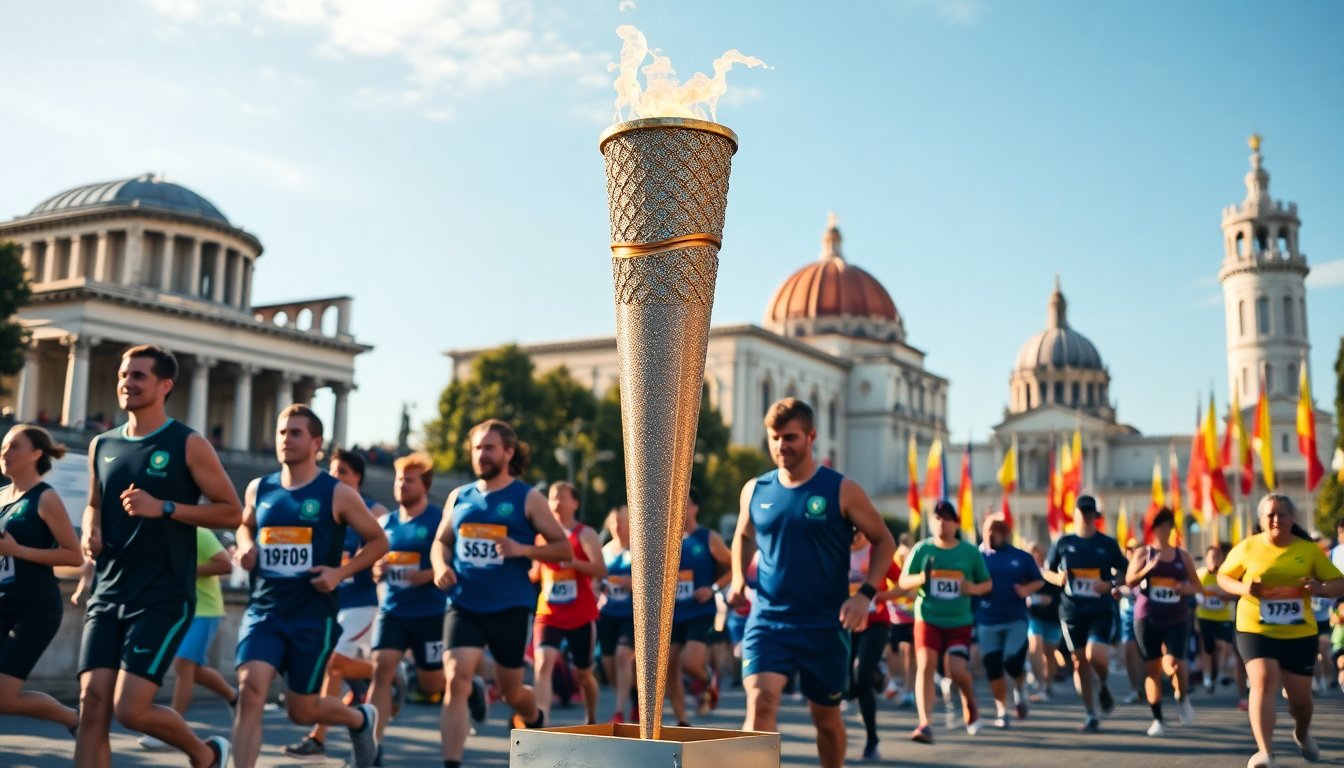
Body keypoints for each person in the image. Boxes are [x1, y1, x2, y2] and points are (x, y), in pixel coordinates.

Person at [76, 345, 242, 768]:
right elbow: (94, 502)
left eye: (138, 376)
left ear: (164, 385)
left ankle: (206, 754)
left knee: (130, 710)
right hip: (109, 589)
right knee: (92, 705)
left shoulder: (187, 443)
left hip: (163, 593)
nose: (127, 383)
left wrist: (166, 507)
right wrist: (90, 529)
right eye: (123, 375)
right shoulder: (102, 444)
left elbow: (231, 510)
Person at [729, 398, 895, 768]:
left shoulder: (841, 489)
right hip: (769, 619)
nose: (780, 446)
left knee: (826, 719)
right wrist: (739, 578)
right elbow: (743, 535)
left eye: (790, 437)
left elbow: (885, 540)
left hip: (824, 624)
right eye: (774, 438)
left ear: (811, 436)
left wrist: (865, 595)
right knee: (761, 701)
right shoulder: (755, 489)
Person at [231, 404, 388, 768]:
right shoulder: (260, 487)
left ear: (317, 442)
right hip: (265, 609)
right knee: (250, 689)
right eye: (282, 432)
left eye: (296, 432)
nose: (286, 439)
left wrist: (339, 574)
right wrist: (245, 547)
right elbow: (245, 525)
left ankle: (360, 719)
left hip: (312, 615)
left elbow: (379, 541)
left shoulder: (337, 493)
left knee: (301, 711)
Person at [431, 419, 571, 768]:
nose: (481, 454)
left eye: (489, 447)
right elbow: (441, 542)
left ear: (509, 452)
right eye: (477, 447)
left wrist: (522, 551)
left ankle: (534, 716)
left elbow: (562, 549)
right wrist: (439, 566)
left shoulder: (527, 497)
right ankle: (452, 762)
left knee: (512, 693)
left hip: (509, 605)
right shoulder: (459, 497)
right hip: (463, 601)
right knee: (456, 677)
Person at [1217, 493, 1344, 768]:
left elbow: (1339, 583)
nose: (1276, 519)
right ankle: (1265, 751)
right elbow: (1223, 577)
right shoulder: (1247, 547)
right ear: (1261, 520)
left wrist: (1320, 588)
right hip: (1255, 627)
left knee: (1301, 701)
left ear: (1292, 518)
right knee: (1262, 679)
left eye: (1281, 514)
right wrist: (1244, 588)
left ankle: (1301, 732)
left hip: (1298, 633)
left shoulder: (1307, 550)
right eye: (1270, 515)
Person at [285, 447, 390, 759]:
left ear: (357, 477)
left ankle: (386, 673)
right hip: (331, 603)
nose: (335, 477)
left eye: (342, 472)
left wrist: (360, 565)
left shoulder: (375, 510)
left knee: (332, 663)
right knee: (331, 667)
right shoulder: (321, 506)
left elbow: (386, 543)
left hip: (361, 603)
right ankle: (323, 732)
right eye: (332, 471)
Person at [365, 452, 449, 757]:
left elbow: (453, 559)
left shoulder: (438, 520)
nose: (401, 485)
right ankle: (371, 747)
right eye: (399, 479)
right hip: (393, 610)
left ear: (424, 486)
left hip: (429, 611)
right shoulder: (385, 523)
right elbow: (376, 562)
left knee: (431, 685)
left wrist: (428, 573)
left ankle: (471, 684)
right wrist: (377, 570)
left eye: (409, 480)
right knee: (380, 669)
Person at [0, 425, 83, 733]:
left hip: (34, 607)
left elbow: (73, 556)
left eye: (14, 446)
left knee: (5, 699)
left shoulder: (45, 498)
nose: (4, 452)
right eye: (4, 446)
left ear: (36, 454)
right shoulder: (0, 497)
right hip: (2, 600)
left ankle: (76, 719)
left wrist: (17, 550)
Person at [899, 499, 992, 743]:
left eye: (947, 519)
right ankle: (925, 723)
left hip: (958, 620)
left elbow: (987, 584)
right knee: (926, 663)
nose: (942, 523)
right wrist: (921, 577)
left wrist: (971, 587)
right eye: (937, 518)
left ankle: (970, 701)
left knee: (956, 670)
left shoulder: (969, 552)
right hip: (928, 616)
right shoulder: (923, 549)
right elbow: (902, 582)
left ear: (956, 523)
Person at [138, 527, 238, 751]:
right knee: (193, 668)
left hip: (205, 610)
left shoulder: (200, 534)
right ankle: (234, 696)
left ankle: (169, 731)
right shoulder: (161, 534)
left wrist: (185, 570)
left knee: (183, 664)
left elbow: (225, 565)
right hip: (177, 610)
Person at [1042, 494, 1127, 733]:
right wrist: (1057, 578)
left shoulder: (1107, 543)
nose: (1087, 517)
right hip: (1071, 611)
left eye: (1091, 513)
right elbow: (1046, 571)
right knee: (1079, 662)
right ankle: (1091, 713)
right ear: (1076, 514)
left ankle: (1102, 683)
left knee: (1095, 655)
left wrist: (1110, 584)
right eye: (1083, 512)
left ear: (1095, 516)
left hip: (1100, 609)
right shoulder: (1063, 542)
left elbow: (1124, 571)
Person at [532, 481, 605, 725]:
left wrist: (571, 562)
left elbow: (600, 569)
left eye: (562, 497)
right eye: (552, 497)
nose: (556, 502)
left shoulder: (585, 534)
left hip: (580, 615)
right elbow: (534, 573)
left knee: (583, 674)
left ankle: (591, 718)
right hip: (549, 612)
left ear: (575, 503)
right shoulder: (541, 537)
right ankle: (541, 722)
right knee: (542, 664)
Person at [1125, 508, 1199, 737]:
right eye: (1160, 526)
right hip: (1147, 617)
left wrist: (1183, 588)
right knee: (1153, 670)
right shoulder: (1143, 554)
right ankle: (1157, 718)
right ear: (1153, 529)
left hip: (1176, 616)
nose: (1164, 530)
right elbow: (1129, 580)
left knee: (1176, 662)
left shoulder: (1182, 556)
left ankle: (1182, 696)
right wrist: (1148, 568)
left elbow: (1196, 586)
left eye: (1168, 526)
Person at [667, 487, 731, 726]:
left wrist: (713, 588)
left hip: (700, 611)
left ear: (694, 507)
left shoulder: (708, 537)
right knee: (669, 668)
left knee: (690, 663)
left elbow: (734, 566)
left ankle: (706, 680)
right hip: (673, 614)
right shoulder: (667, 539)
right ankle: (682, 719)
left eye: (684, 504)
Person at [975, 513, 1043, 728]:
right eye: (986, 532)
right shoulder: (978, 556)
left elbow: (1038, 581)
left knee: (1012, 661)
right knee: (993, 667)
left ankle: (1020, 690)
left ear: (1004, 532)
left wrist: (1026, 590)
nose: (990, 536)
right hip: (986, 619)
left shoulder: (1021, 556)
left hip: (1015, 618)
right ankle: (1002, 709)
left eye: (994, 532)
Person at [845, 529, 903, 760]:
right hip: (845, 624)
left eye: (858, 531)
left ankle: (871, 739)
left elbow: (902, 583)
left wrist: (880, 596)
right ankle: (877, 675)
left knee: (861, 677)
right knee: (847, 684)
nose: (853, 535)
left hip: (875, 622)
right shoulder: (836, 552)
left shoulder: (876, 553)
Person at [597, 504, 636, 723]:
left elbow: (652, 582)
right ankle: (632, 696)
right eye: (614, 522)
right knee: (609, 664)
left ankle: (619, 711)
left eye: (622, 521)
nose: (618, 526)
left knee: (623, 655)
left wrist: (632, 582)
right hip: (607, 614)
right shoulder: (604, 552)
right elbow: (595, 578)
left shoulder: (638, 551)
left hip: (630, 614)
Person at [1196, 543, 1239, 698]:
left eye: (1218, 557)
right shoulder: (1200, 574)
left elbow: (1236, 593)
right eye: (1212, 557)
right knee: (1207, 648)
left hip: (1224, 616)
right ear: (1206, 559)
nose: (1215, 561)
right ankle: (1207, 677)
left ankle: (1219, 673)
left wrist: (1226, 595)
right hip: (1205, 616)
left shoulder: (1227, 575)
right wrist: (1198, 596)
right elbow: (1193, 589)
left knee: (1221, 645)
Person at [1025, 539, 1063, 703]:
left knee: (1049, 652)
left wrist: (1049, 598)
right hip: (1034, 617)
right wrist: (1033, 597)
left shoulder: (1051, 572)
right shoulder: (1024, 574)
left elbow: (1058, 593)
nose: (1035, 558)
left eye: (1037, 555)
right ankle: (1040, 685)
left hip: (1053, 617)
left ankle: (1048, 684)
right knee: (1035, 646)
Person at [883, 534, 917, 709]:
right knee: (894, 649)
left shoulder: (912, 558)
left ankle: (908, 690)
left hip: (912, 614)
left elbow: (912, 588)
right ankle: (897, 683)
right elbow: (894, 585)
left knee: (909, 652)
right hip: (896, 613)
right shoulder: (895, 557)